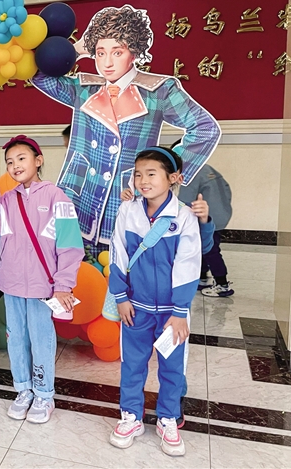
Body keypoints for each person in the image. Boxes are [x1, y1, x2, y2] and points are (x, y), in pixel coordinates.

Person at [32, 5, 221, 257]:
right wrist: (76, 50)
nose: (107, 63)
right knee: (71, 270)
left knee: (119, 271)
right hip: (77, 197)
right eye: (100, 53)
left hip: (125, 198)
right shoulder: (84, 88)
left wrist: (165, 172)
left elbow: (205, 129)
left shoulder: (159, 91)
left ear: (134, 51)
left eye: (117, 52)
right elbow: (37, 74)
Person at [0, 135, 84, 424]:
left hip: (42, 286)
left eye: (21, 158)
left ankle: (44, 394)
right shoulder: (6, 199)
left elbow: (70, 244)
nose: (15, 165)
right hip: (12, 283)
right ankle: (23, 389)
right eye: (9, 162)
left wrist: (63, 285)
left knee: (41, 340)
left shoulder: (56, 197)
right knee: (16, 339)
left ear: (38, 161)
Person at [108, 147, 201, 457]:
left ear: (172, 178)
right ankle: (131, 416)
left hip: (172, 314)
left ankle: (167, 418)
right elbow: (119, 254)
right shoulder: (128, 211)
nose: (143, 181)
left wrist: (180, 311)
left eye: (151, 174)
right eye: (138, 174)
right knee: (132, 365)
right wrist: (121, 297)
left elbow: (188, 264)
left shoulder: (184, 216)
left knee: (172, 368)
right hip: (136, 308)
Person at [172, 139, 233, 297]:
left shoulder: (189, 174)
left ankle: (222, 284)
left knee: (211, 250)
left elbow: (184, 200)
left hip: (206, 218)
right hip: (220, 215)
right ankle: (202, 277)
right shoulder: (207, 168)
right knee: (202, 246)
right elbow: (227, 189)